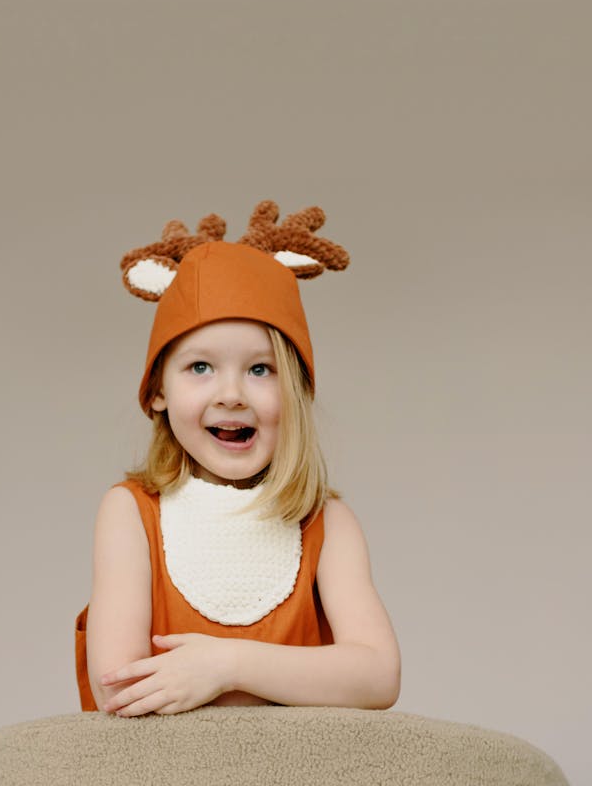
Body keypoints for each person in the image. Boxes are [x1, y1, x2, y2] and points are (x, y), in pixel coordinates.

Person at [75, 200, 401, 716]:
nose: (231, 394)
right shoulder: (129, 512)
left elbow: (377, 676)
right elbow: (120, 687)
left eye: (260, 370)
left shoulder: (328, 523)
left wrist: (226, 665)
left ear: (296, 392)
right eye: (200, 366)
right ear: (158, 389)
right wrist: (302, 677)